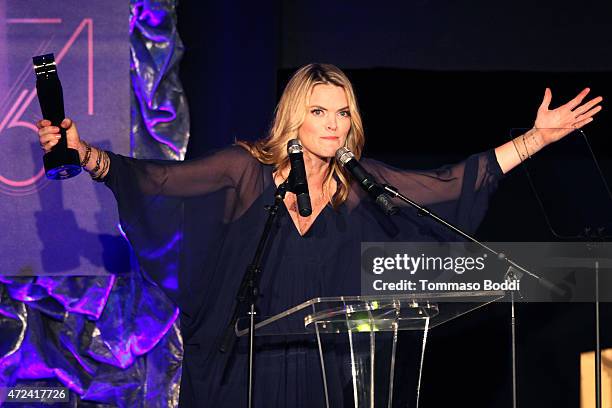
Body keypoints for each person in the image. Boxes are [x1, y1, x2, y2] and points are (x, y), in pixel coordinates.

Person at [36, 63, 602, 407]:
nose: (333, 123)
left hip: (327, 376)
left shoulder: (361, 184)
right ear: (294, 119)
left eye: (342, 112)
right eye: (319, 111)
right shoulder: (246, 171)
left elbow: (449, 183)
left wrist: (536, 139)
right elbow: (159, 179)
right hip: (246, 374)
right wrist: (86, 155)